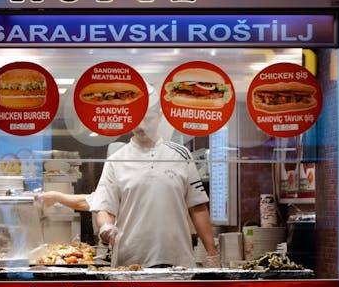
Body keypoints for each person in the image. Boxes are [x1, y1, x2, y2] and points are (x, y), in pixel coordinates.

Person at [37, 103, 219, 269]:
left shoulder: (180, 155)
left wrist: (212, 253)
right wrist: (106, 228)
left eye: (148, 119)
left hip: (177, 259)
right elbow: (104, 208)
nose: (141, 126)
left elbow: (198, 207)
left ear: (159, 116)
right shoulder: (117, 160)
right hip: (131, 260)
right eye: (135, 120)